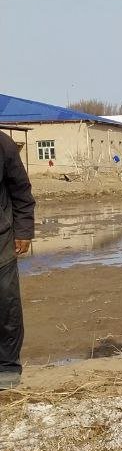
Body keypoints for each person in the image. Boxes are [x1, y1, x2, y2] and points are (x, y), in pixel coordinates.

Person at [0, 132, 35, 390]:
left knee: (6, 304)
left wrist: (23, 231)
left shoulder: (3, 144)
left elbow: (21, 191)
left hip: (1, 241)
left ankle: (8, 365)